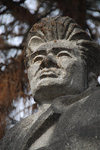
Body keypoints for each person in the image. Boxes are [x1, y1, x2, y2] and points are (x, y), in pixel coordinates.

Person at [0, 16, 100, 150]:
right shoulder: (14, 135)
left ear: (90, 75)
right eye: (37, 58)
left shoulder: (96, 106)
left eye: (63, 54)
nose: (46, 61)